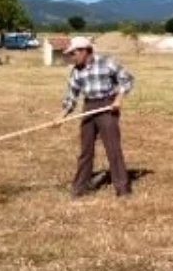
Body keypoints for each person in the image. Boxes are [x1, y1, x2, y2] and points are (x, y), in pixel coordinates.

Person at [54, 36, 136, 198]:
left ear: (85, 51)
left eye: (73, 53)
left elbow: (127, 80)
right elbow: (72, 96)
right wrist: (61, 116)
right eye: (70, 54)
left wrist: (118, 99)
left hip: (107, 106)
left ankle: (122, 189)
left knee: (113, 148)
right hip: (89, 106)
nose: (71, 57)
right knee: (86, 150)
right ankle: (79, 188)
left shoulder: (107, 62)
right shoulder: (76, 71)